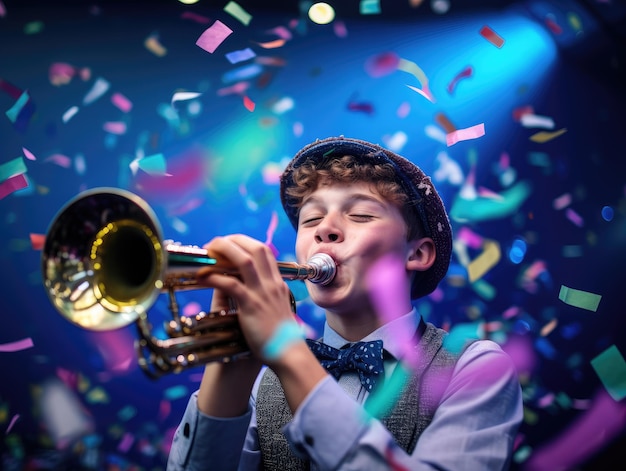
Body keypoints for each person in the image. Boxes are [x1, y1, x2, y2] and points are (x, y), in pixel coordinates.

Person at [166, 136, 523, 470]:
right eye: (312, 219)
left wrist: (290, 355)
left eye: (361, 215)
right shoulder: (265, 384)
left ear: (416, 253)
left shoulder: (475, 367)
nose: (325, 229)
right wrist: (230, 370)